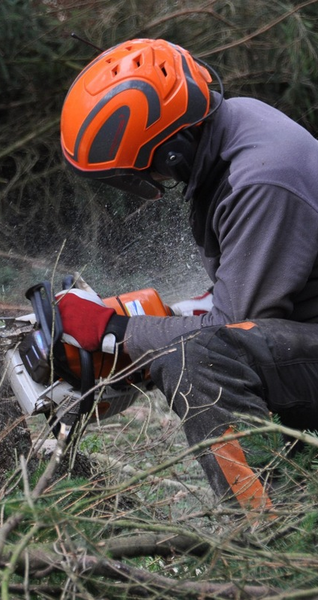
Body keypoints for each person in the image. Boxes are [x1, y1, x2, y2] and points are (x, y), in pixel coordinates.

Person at [55, 38, 318, 512]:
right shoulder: (236, 128)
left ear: (172, 149)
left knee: (203, 364)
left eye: (143, 168)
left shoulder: (260, 179)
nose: (150, 180)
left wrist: (117, 332)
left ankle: (271, 538)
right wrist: (146, 319)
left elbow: (232, 333)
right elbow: (248, 297)